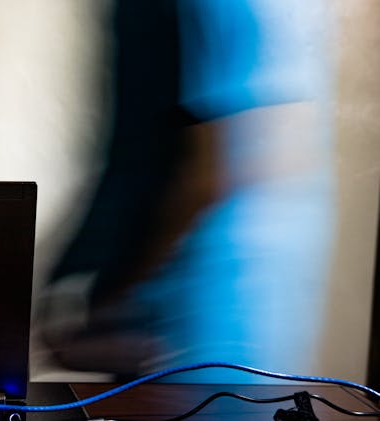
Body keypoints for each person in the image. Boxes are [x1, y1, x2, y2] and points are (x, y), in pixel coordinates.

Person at [37, 0, 334, 382]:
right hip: (175, 313)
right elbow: (133, 154)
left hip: (204, 322)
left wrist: (115, 298)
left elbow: (227, 161)